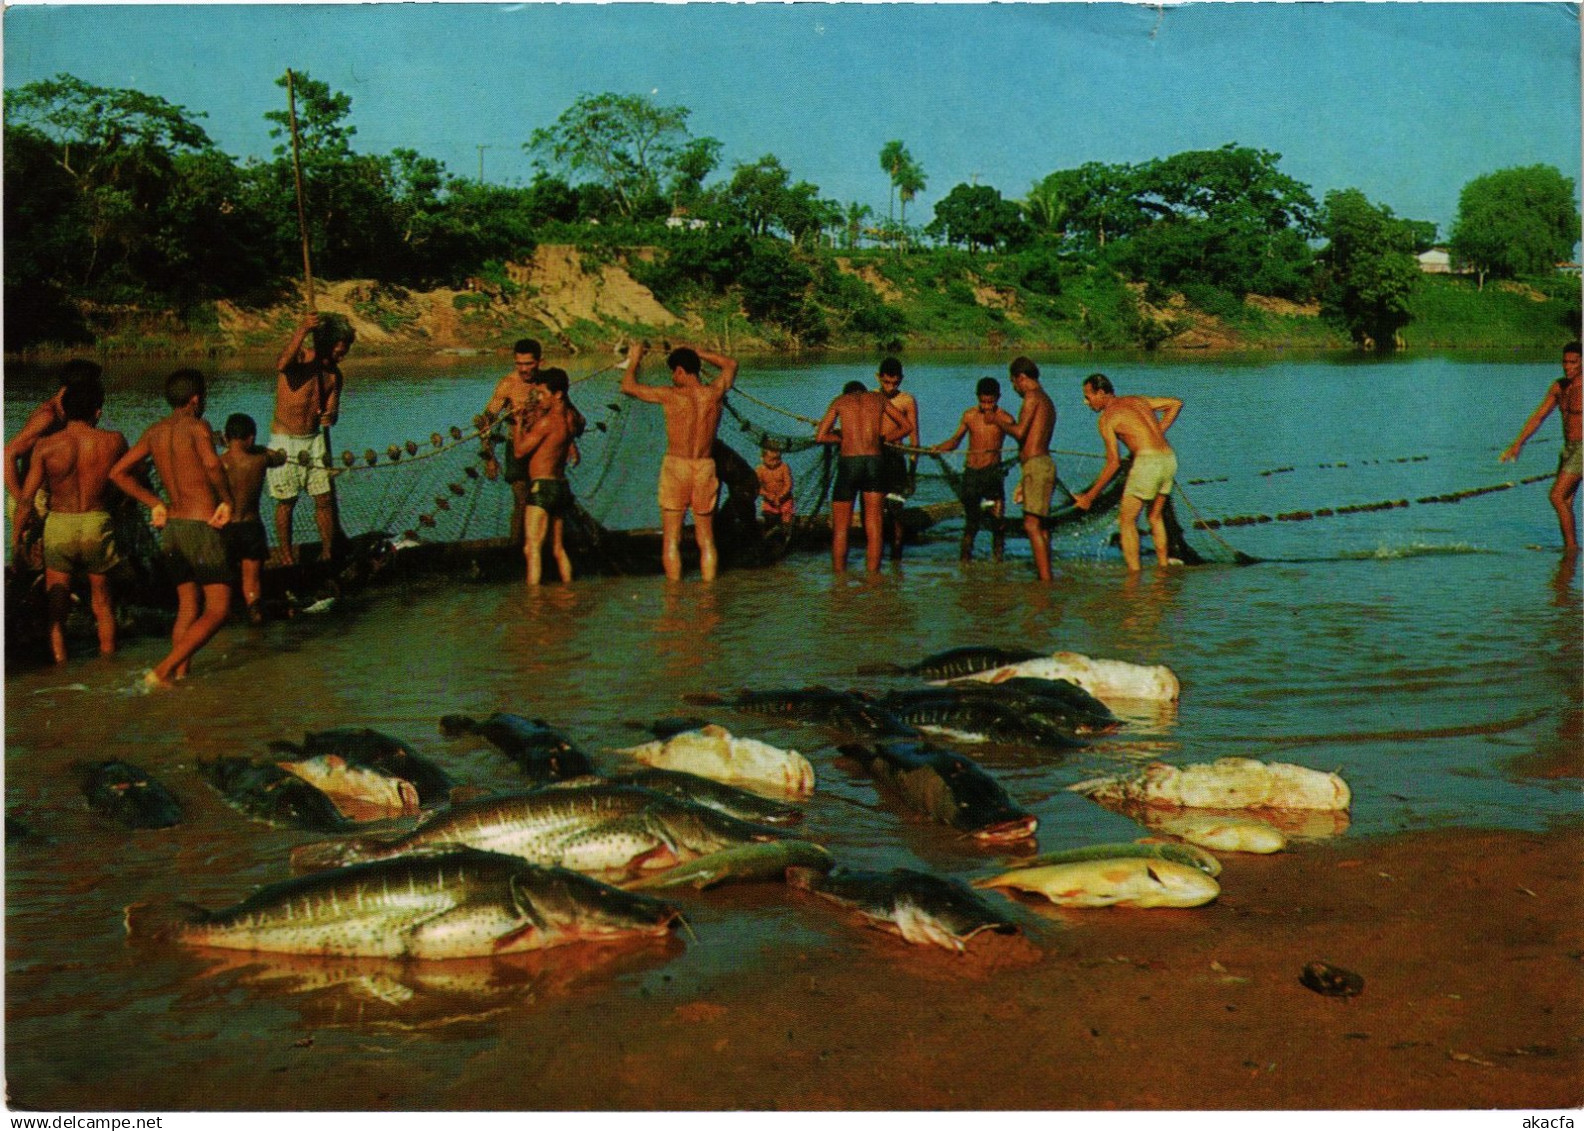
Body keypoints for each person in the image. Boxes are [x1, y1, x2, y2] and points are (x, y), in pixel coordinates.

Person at [110, 369, 235, 687]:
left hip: (173, 527)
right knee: (219, 608)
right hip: (200, 524)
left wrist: (154, 502)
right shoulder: (197, 426)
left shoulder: (154, 431)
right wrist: (227, 500)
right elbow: (211, 464)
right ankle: (163, 671)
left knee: (188, 605)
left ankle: (179, 676)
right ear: (195, 400)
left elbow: (119, 472)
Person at [10, 377, 127, 664]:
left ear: (64, 408)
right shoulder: (114, 441)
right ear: (97, 411)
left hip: (59, 524)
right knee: (102, 603)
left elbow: (26, 500)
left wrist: (16, 541)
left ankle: (62, 667)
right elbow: (131, 481)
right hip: (96, 522)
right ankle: (108, 667)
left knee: (56, 609)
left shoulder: (47, 446)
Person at [620, 341, 739, 581]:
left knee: (671, 538)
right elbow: (730, 364)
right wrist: (696, 351)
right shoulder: (715, 393)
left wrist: (634, 358)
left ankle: (673, 598)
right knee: (706, 539)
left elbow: (628, 386)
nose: (673, 377)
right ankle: (708, 596)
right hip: (704, 466)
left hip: (677, 466)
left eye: (674, 372)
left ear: (681, 371)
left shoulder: (670, 395)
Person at [1071, 372, 1184, 572]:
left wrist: (1090, 496)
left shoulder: (1106, 418)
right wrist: (1156, 433)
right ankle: (1163, 567)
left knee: (1126, 520)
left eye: (1088, 397)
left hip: (1148, 464)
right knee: (1155, 517)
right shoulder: (1137, 400)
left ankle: (1134, 576)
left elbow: (1113, 463)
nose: (1086, 402)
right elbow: (1175, 403)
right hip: (1168, 458)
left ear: (1100, 393)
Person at [267, 311, 353, 566]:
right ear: (326, 345)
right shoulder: (302, 358)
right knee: (286, 502)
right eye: (339, 350)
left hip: (314, 441)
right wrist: (303, 329)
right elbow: (282, 364)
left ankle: (328, 554)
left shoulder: (334, 376)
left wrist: (330, 415)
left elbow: (333, 411)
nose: (343, 355)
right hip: (285, 441)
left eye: (345, 351)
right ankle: (286, 558)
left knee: (324, 499)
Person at [5, 359, 105, 561]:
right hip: (34, 500)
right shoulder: (48, 416)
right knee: (35, 564)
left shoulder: (70, 414)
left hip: (46, 500)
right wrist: (22, 499)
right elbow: (8, 454)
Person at [815, 380, 909, 573]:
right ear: (864, 392)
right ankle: (874, 576)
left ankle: (839, 578)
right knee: (874, 524)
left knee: (841, 528)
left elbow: (821, 436)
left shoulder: (840, 401)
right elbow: (906, 426)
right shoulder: (878, 398)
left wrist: (842, 438)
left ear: (847, 393)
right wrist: (882, 439)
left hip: (849, 464)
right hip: (874, 463)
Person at [1500, 340, 1583, 554]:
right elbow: (1539, 417)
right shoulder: (1559, 387)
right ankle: (1570, 553)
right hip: (1569, 448)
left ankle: (1572, 549)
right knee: (1565, 500)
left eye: (1573, 362)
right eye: (1565, 362)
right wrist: (1518, 443)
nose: (1567, 367)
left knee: (1556, 495)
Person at [932, 376, 1018, 562]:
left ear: (998, 398)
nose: (986, 406)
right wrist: (938, 448)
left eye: (991, 401)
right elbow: (955, 441)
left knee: (998, 524)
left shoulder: (1005, 418)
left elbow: (1022, 439)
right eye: (983, 401)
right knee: (971, 524)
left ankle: (998, 562)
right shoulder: (969, 415)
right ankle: (965, 563)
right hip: (971, 474)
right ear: (977, 397)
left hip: (993, 474)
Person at [512, 367, 578, 585]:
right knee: (558, 548)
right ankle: (569, 590)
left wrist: (517, 424)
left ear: (558, 394)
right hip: (561, 487)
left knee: (531, 548)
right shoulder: (570, 418)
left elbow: (520, 451)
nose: (538, 399)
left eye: (542, 394)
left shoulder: (547, 422)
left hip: (542, 487)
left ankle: (533, 605)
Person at [995, 357, 1059, 581]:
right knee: (1040, 525)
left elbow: (1021, 432)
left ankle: (1045, 581)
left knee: (1031, 525)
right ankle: (1046, 576)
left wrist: (996, 420)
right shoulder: (1047, 400)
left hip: (1037, 465)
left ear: (1021, 377)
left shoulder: (1032, 396)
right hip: (1041, 465)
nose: (1015, 389)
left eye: (1014, 383)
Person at [220, 413, 287, 624]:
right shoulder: (259, 460)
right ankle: (255, 615)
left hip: (225, 528)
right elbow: (280, 457)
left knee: (224, 582)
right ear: (250, 438)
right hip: (251, 527)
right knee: (252, 582)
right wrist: (258, 448)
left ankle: (224, 617)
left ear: (227, 437)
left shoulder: (219, 463)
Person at [875, 357, 919, 561]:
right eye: (886, 382)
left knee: (896, 510)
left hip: (896, 459)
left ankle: (896, 556)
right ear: (878, 378)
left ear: (901, 379)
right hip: (874, 458)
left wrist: (912, 470)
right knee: (875, 508)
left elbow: (914, 438)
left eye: (895, 383)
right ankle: (876, 553)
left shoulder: (906, 400)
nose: (891, 387)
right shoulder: (871, 397)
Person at [755, 446, 795, 528]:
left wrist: (780, 496)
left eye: (777, 459)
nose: (774, 463)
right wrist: (768, 495)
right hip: (769, 502)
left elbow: (789, 484)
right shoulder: (760, 470)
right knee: (767, 523)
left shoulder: (784, 467)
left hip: (785, 500)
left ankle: (787, 534)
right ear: (763, 458)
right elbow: (757, 487)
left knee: (786, 524)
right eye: (771, 460)